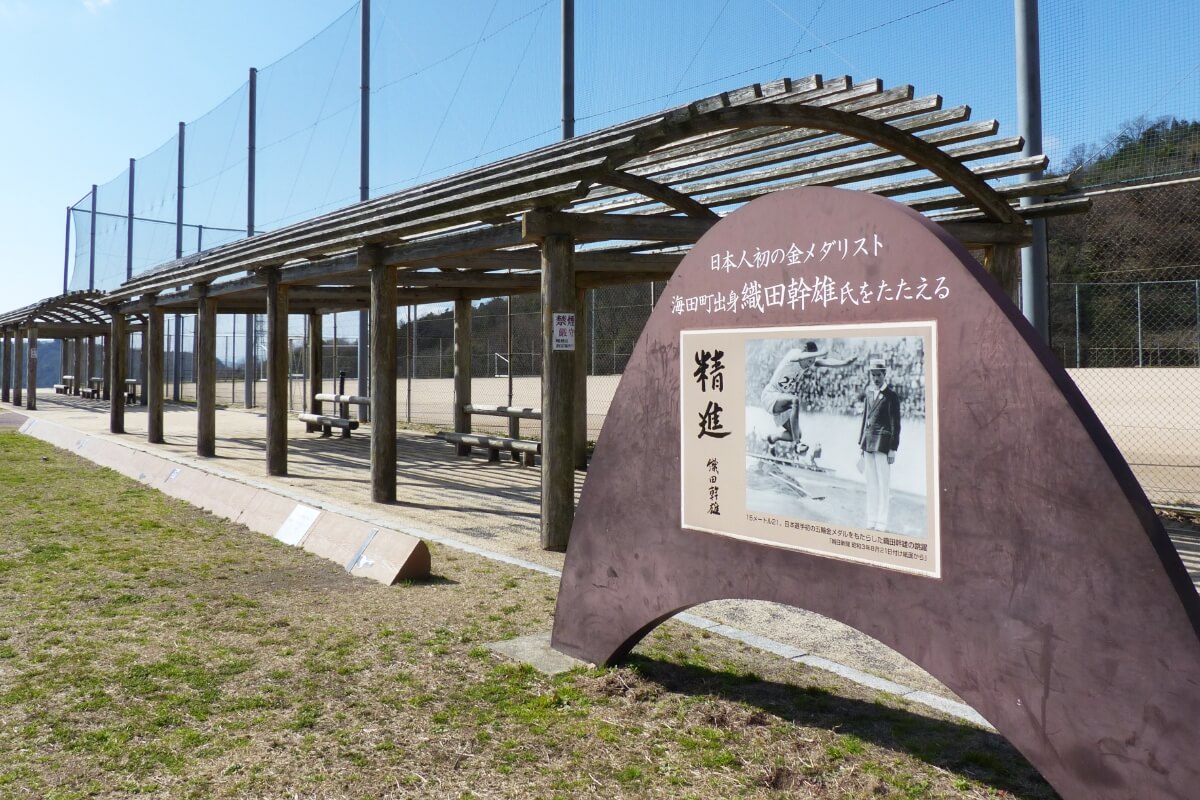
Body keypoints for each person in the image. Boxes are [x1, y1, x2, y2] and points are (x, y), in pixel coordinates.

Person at [760, 341, 856, 458]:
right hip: (770, 395)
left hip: (780, 398)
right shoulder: (794, 354)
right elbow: (801, 356)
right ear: (805, 353)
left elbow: (825, 362)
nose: (810, 365)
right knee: (795, 400)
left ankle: (772, 438)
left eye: (812, 362)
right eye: (809, 361)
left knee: (796, 434)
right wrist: (820, 352)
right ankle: (797, 445)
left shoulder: (808, 362)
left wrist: (844, 363)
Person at [858, 357, 901, 531]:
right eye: (873, 375)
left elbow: (896, 424)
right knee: (871, 483)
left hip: (883, 443)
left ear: (884, 375)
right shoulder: (868, 393)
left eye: (879, 375)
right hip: (868, 442)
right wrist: (861, 443)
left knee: (884, 484)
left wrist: (893, 448)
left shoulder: (891, 396)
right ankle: (872, 518)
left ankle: (882, 521)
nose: (876, 378)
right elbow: (864, 420)